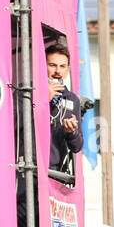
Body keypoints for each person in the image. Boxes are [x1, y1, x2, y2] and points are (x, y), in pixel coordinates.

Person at [46, 44, 83, 177]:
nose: (58, 71)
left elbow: (77, 147)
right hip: (29, 167)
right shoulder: (29, 93)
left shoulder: (72, 99)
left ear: (68, 69)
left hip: (56, 171)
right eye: (52, 65)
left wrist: (71, 132)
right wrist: (43, 101)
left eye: (62, 66)